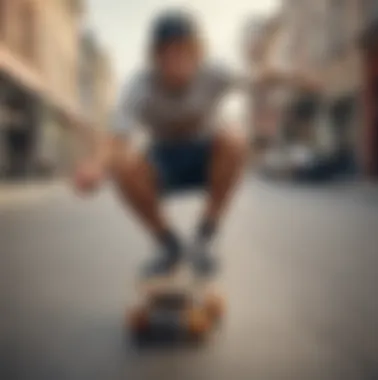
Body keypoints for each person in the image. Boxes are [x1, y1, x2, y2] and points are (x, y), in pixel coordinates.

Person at [74, 10, 316, 277]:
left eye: (184, 53)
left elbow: (260, 76)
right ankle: (169, 244)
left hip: (207, 157)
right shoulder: (139, 85)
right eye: (167, 55)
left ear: (198, 53)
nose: (176, 63)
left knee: (234, 139)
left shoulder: (216, 72)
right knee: (122, 165)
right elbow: (116, 139)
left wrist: (297, 79)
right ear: (155, 58)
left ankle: (203, 237)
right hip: (162, 161)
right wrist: (95, 166)